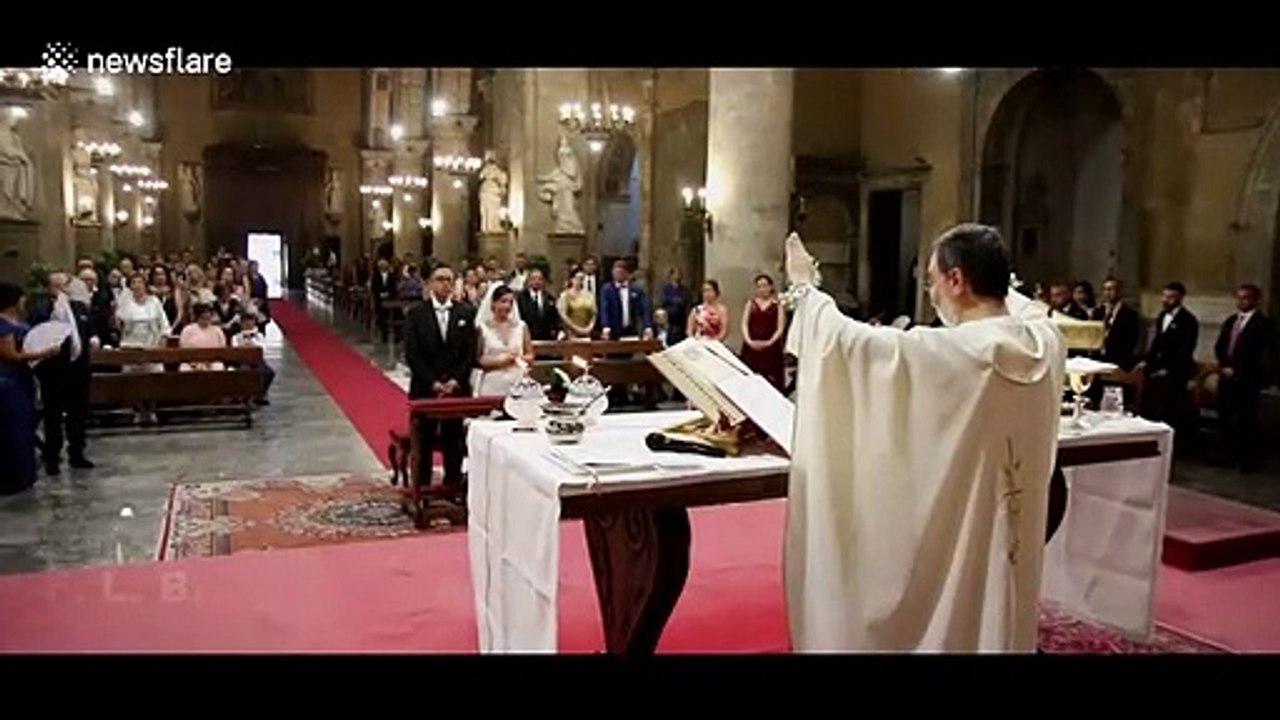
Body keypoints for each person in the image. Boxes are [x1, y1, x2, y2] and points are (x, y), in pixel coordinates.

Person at [782, 224, 1065, 652]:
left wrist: (805, 287)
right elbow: (1028, 310)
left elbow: (846, 343)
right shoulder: (1046, 341)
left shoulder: (947, 353)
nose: (930, 291)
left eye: (932, 279)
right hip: (1013, 542)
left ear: (957, 280)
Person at [403, 263, 477, 496]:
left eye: (449, 279)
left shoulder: (465, 312)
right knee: (424, 440)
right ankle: (422, 487)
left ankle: (453, 485)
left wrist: (455, 379)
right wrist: (432, 382)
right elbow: (412, 353)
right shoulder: (416, 314)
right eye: (440, 279)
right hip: (426, 388)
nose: (445, 284)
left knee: (453, 440)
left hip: (456, 388)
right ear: (431, 284)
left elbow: (469, 352)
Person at [27, 271, 95, 475]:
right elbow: (36, 335)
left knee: (78, 414)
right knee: (53, 415)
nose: (62, 290)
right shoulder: (41, 309)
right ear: (50, 288)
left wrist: (93, 338)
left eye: (65, 285)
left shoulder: (79, 308)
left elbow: (88, 329)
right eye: (57, 286)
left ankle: (77, 452)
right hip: (53, 371)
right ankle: (52, 456)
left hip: (78, 370)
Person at [0, 283, 61, 495]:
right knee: (13, 427)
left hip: (24, 379)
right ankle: (12, 477)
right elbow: (11, 356)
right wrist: (43, 353)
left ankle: (26, 474)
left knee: (26, 426)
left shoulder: (18, 321)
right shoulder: (3, 325)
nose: (24, 302)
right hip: (9, 382)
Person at [474, 284, 534, 397]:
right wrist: (501, 361)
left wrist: (517, 359)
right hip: (493, 383)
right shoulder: (483, 328)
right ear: (493, 303)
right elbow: (479, 359)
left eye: (510, 302)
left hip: (517, 381)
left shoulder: (521, 327)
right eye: (503, 301)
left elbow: (530, 355)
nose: (507, 306)